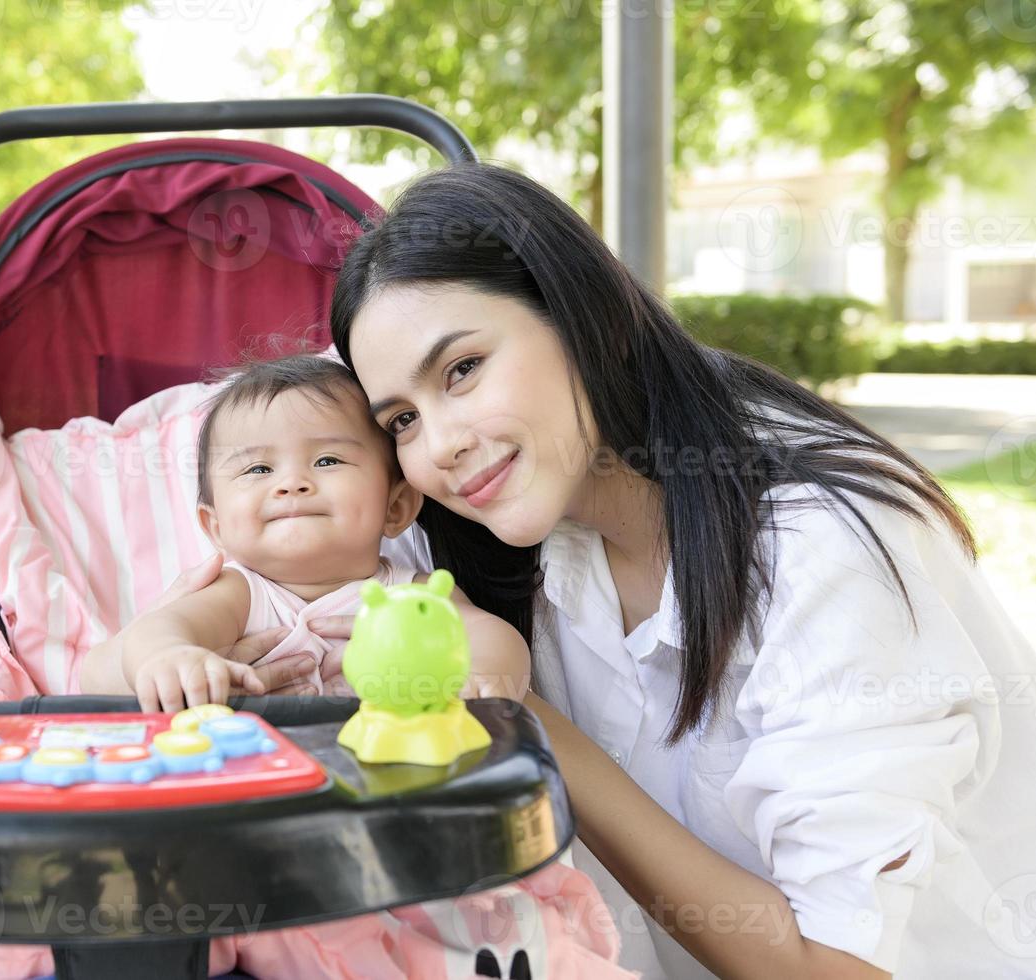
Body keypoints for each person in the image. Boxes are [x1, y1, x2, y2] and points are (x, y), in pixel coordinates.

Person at [169, 164, 1036, 979]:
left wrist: (525, 721)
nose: (439, 446)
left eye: (463, 369)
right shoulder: (520, 532)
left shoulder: (822, 550)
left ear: (584, 313)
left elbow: (832, 967)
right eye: (399, 419)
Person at [78, 353, 531, 712]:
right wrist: (173, 658)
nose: (291, 483)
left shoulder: (409, 594)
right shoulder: (241, 594)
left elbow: (488, 635)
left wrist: (479, 676)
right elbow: (164, 629)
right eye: (259, 468)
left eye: (328, 461)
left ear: (396, 507)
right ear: (215, 527)